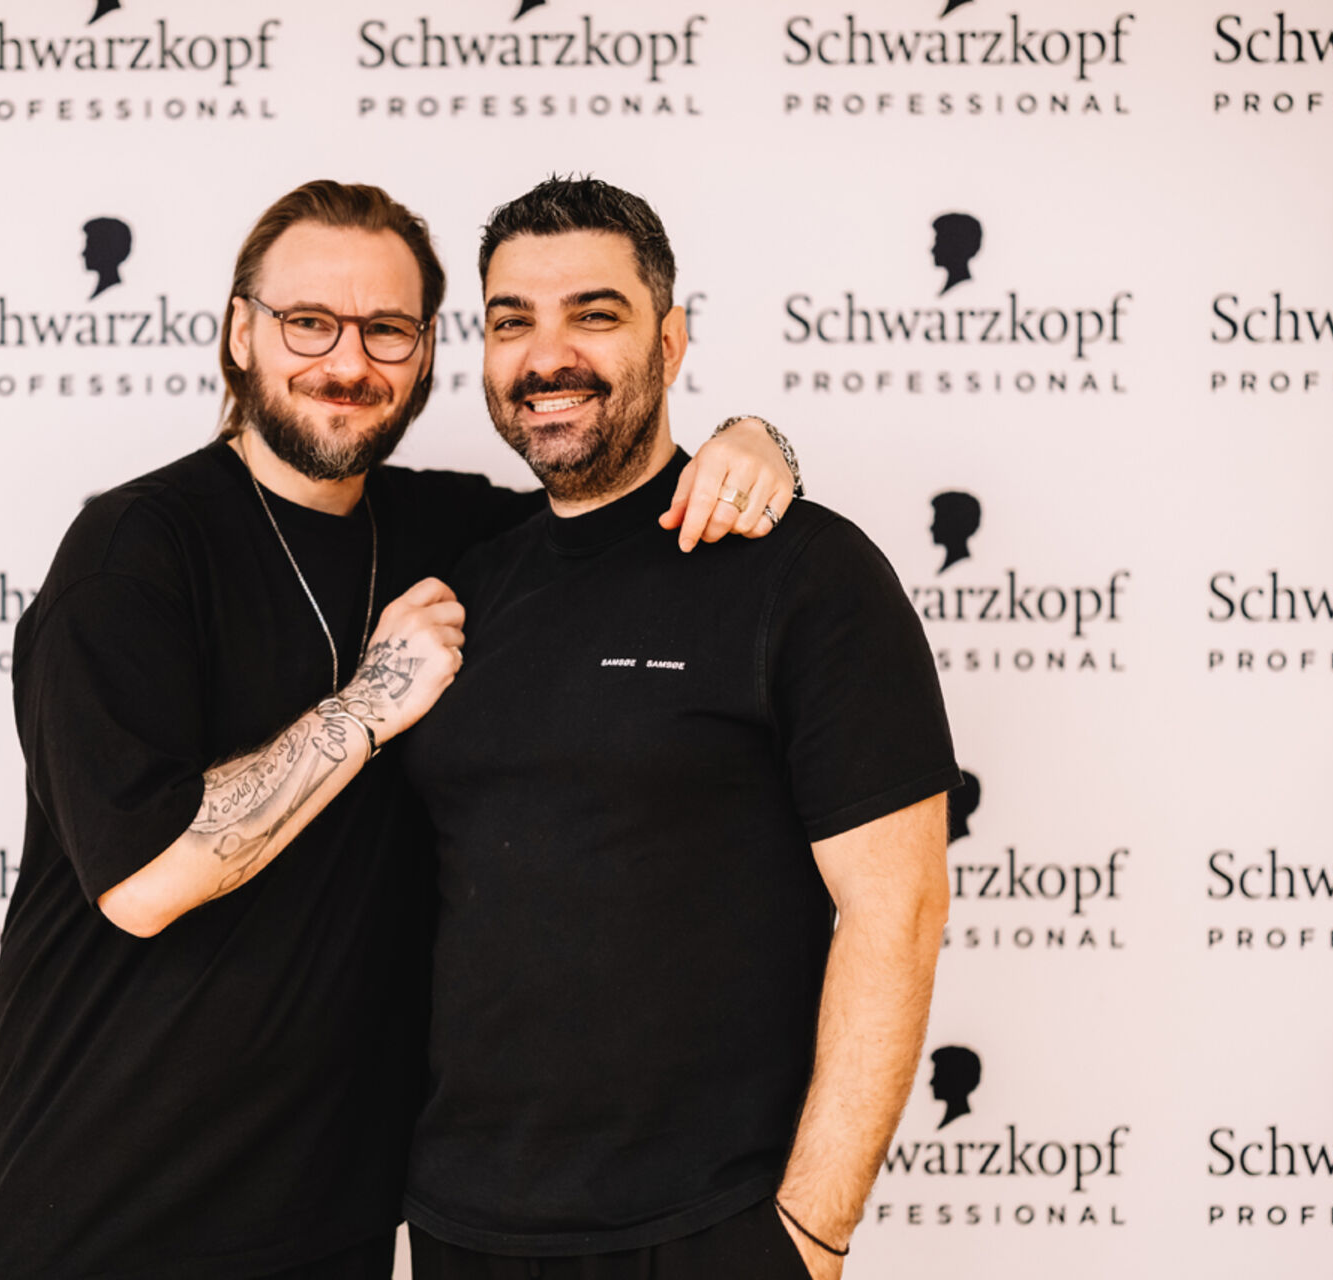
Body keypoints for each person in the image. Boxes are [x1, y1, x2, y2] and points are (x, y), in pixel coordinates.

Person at [0, 180, 802, 1280]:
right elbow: (144, 879)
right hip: (104, 1216)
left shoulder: (458, 536)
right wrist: (369, 703)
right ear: (241, 332)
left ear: (428, 350)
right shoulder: (134, 555)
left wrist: (756, 441)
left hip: (336, 1224)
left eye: (387, 329)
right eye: (309, 322)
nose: (347, 362)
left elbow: (619, 493)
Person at [401, 177, 958, 1280]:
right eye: (512, 321)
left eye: (593, 314)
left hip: (706, 1227)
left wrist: (810, 1233)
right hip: (465, 1228)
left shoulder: (804, 573)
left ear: (670, 339)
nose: (547, 355)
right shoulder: (464, 576)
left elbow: (897, 908)